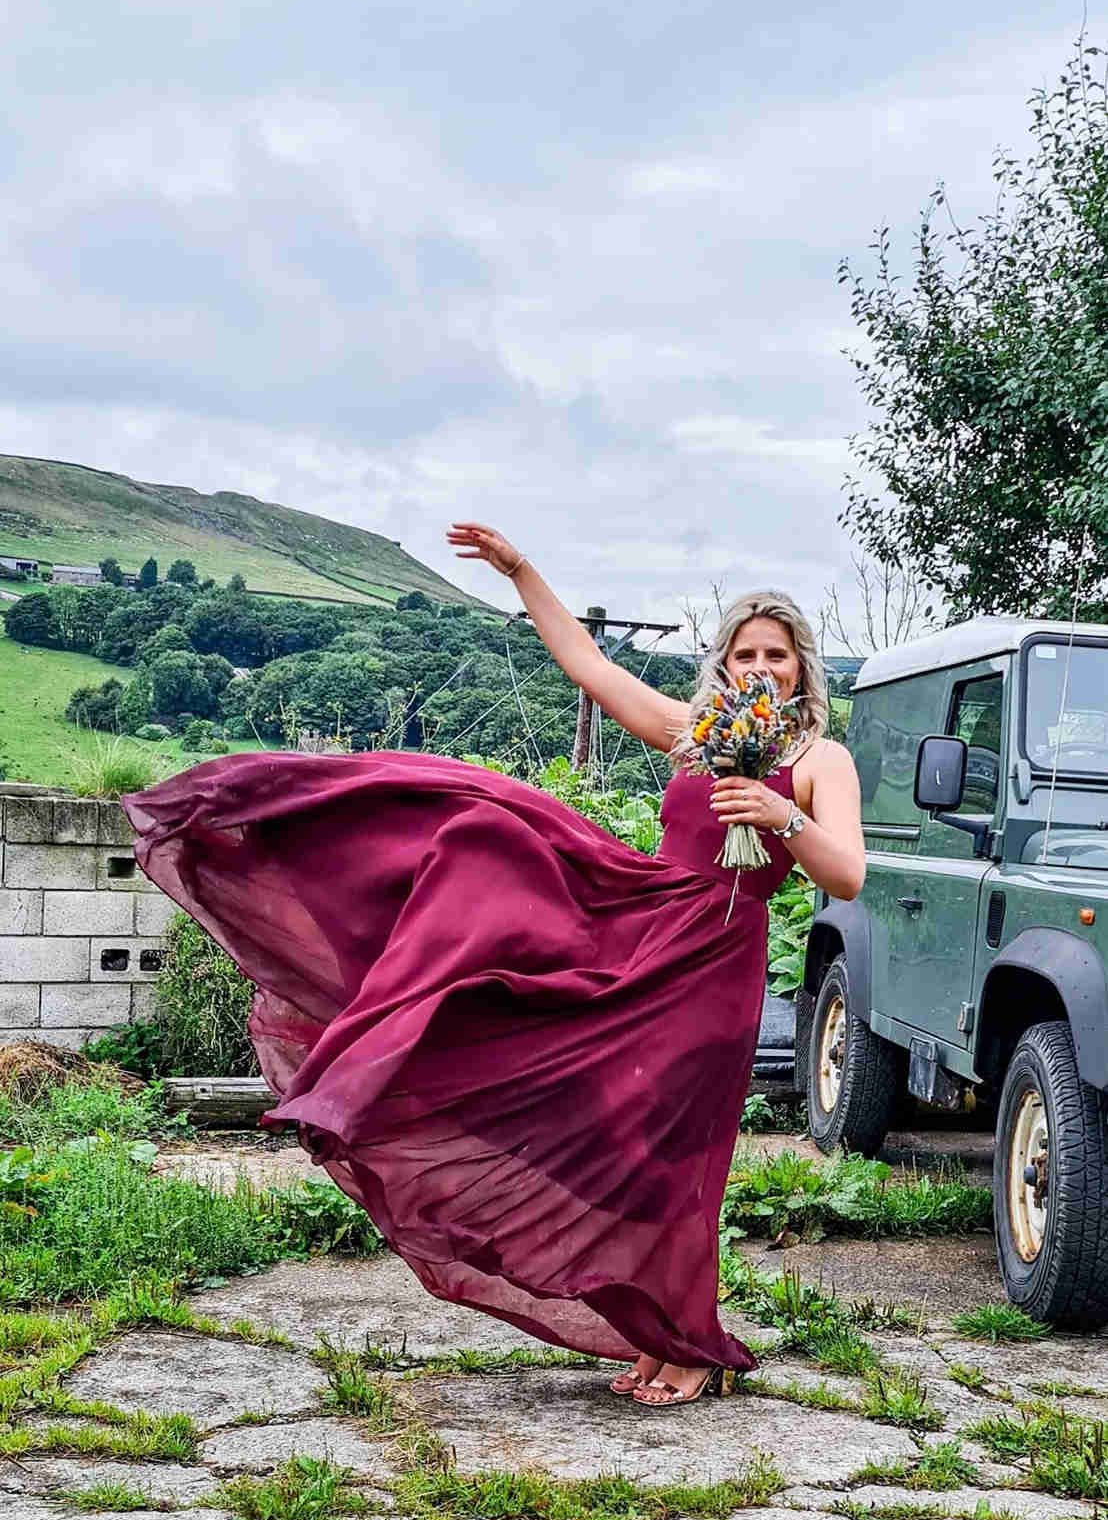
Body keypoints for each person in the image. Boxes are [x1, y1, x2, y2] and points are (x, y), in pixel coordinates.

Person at [122, 524, 864, 1411]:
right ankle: (652, 1328)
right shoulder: (695, 734)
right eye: (743, 653)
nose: (758, 668)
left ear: (800, 667)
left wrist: (778, 817)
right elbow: (591, 668)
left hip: (718, 964)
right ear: (724, 664)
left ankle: (687, 1342)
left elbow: (848, 874)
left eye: (775, 655)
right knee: (489, 842)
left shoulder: (821, 761)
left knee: (682, 1153)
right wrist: (521, 571)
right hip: (641, 932)